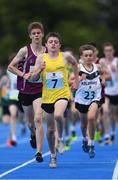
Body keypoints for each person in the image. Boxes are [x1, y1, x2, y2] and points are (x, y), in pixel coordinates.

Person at [29, 32, 79, 168]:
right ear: (46, 45)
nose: (53, 44)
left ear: (59, 45)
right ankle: (52, 156)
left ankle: (61, 139)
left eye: (56, 42)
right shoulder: (41, 58)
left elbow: (76, 65)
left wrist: (77, 81)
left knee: (58, 115)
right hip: (47, 97)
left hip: (62, 93)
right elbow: (33, 78)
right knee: (50, 130)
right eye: (50, 42)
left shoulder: (65, 56)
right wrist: (39, 70)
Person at [8, 22, 45, 162]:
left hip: (40, 90)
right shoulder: (24, 50)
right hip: (25, 90)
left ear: (42, 34)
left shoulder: (47, 51)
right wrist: (23, 75)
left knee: (38, 119)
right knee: (30, 123)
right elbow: (10, 67)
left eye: (38, 33)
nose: (36, 35)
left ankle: (39, 152)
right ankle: (33, 134)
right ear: (30, 36)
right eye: (34, 33)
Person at [75, 44, 105, 158]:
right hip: (81, 100)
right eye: (86, 55)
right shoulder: (78, 68)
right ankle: (84, 138)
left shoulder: (98, 67)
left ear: (93, 56)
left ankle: (91, 144)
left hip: (95, 98)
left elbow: (104, 74)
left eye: (90, 55)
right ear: (82, 57)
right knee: (83, 124)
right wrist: (78, 79)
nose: (88, 57)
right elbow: (71, 83)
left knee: (91, 118)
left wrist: (103, 80)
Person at [100, 42, 118, 144]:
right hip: (105, 91)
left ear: (113, 51)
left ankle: (113, 132)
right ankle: (107, 136)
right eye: (106, 51)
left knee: (113, 115)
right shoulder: (102, 61)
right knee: (106, 112)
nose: (108, 52)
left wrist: (116, 69)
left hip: (115, 92)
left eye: (110, 50)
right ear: (104, 52)